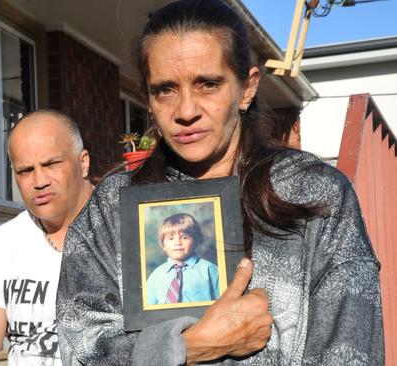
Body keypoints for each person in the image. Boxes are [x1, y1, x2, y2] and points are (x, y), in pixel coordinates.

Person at [56, 0, 384, 365]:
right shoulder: (112, 208)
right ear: (147, 98)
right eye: (165, 89)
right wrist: (187, 348)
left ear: (247, 88)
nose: (185, 111)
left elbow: (351, 351)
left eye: (208, 84)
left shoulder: (316, 194)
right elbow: (81, 348)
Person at [0, 109, 94, 365]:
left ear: (83, 163)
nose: (39, 181)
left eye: (51, 164)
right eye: (25, 171)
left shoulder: (123, 228)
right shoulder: (0, 246)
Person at [146, 213, 219, 304]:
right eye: (171, 238)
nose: (177, 243)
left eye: (184, 238)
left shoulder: (210, 269)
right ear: (163, 245)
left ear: (196, 241)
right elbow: (148, 308)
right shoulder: (156, 275)